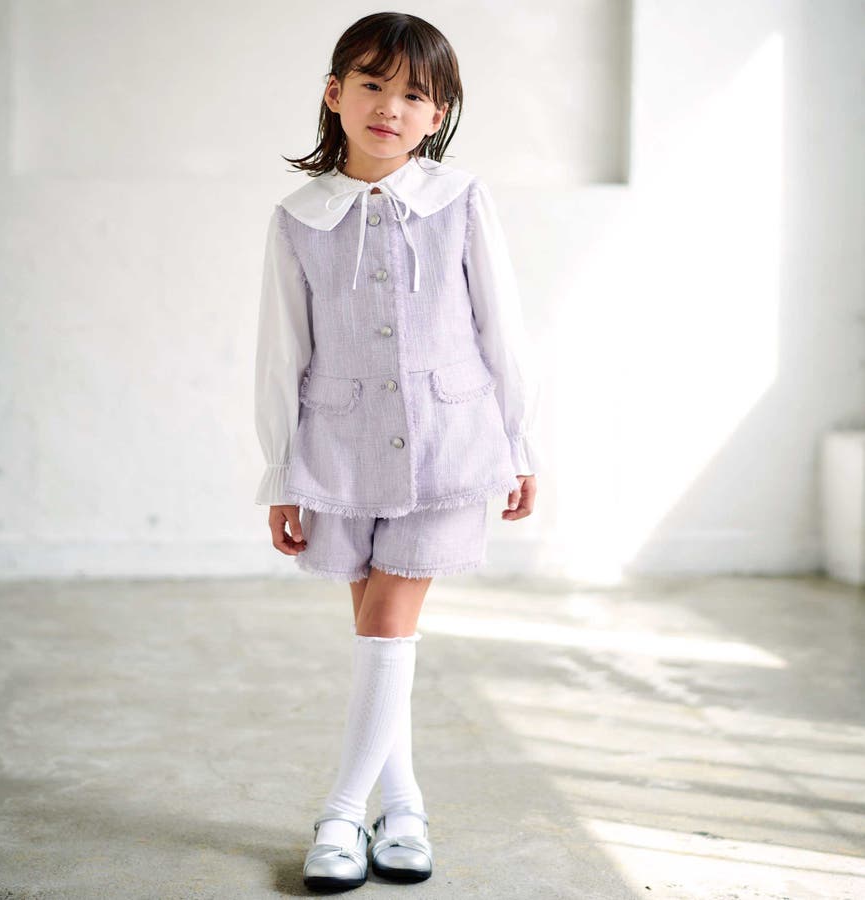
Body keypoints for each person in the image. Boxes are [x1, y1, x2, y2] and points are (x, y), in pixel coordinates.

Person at [253, 11, 542, 892]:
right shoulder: (298, 218)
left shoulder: (461, 199)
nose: (390, 107)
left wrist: (521, 443)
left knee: (386, 626)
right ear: (334, 94)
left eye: (415, 95)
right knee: (385, 640)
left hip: (451, 445)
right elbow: (281, 351)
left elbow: (502, 326)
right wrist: (280, 471)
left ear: (437, 114)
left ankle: (342, 813)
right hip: (338, 454)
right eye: (372, 85)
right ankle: (405, 809)